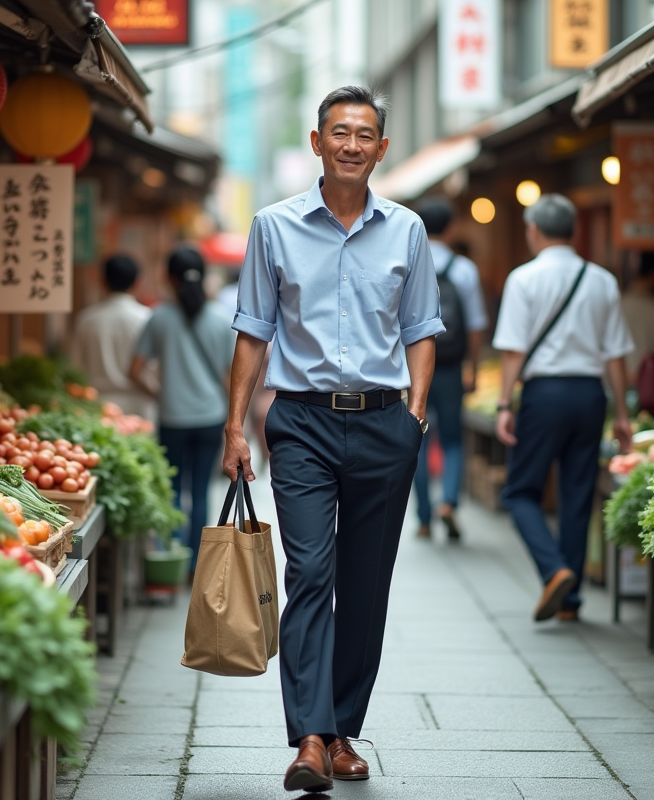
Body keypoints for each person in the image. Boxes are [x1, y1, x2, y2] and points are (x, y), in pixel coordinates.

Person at [222, 86, 443, 792]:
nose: (352, 143)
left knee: (366, 585)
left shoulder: (407, 229)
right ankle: (309, 738)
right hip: (304, 423)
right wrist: (236, 427)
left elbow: (421, 333)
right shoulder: (273, 226)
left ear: (382, 149)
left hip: (385, 424)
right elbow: (253, 332)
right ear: (317, 142)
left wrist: (413, 417)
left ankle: (345, 729)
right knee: (310, 573)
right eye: (339, 131)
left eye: (366, 134)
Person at [493, 194, 634, 623]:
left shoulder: (524, 278)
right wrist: (623, 414)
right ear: (573, 232)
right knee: (577, 492)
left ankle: (554, 571)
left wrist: (503, 403)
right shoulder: (602, 280)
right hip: (590, 395)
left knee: (520, 492)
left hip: (545, 394)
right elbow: (615, 355)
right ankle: (569, 604)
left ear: (534, 231)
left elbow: (514, 351)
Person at [129, 247, 234, 573]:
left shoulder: (159, 317)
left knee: (174, 489)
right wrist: (234, 416)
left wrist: (159, 394)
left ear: (169, 278)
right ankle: (197, 566)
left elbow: (134, 369)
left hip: (173, 416)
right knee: (201, 490)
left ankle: (172, 556)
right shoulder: (220, 318)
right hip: (210, 415)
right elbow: (232, 376)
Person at [411, 197, 487, 541]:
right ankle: (450, 502)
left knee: (418, 440)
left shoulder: (411, 260)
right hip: (453, 366)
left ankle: (424, 518)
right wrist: (473, 367)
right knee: (454, 439)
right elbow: (475, 325)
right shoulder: (464, 269)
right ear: (451, 228)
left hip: (414, 369)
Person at [70, 255, 155, 421]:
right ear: (138, 282)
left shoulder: (87, 319)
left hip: (98, 406)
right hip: (140, 405)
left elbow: (75, 367)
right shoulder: (147, 318)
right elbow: (154, 368)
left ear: (103, 282)